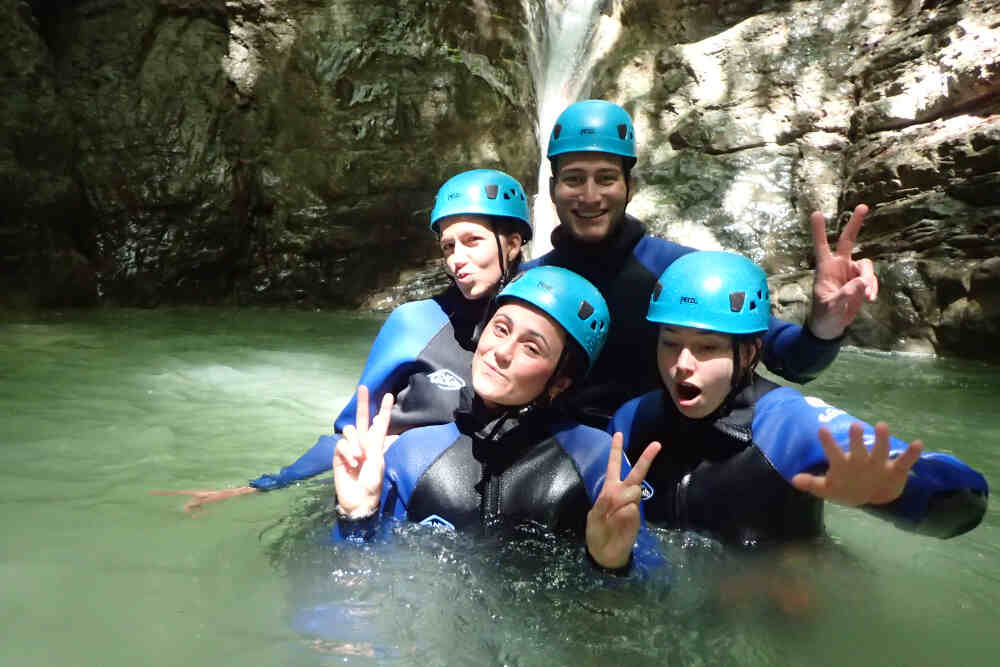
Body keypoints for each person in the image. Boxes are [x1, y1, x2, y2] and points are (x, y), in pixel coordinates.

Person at [153, 169, 534, 511]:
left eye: (472, 241)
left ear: (513, 244)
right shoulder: (414, 324)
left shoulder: (546, 331)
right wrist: (258, 488)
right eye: (448, 246)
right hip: (386, 500)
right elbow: (351, 431)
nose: (456, 260)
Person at [524, 99, 879, 424]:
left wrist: (824, 328)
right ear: (553, 188)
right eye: (573, 179)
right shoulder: (527, 280)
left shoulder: (682, 273)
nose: (589, 196)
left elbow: (791, 361)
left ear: (630, 187)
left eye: (606, 178)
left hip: (657, 461)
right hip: (557, 464)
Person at [609, 250, 988, 546]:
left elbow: (968, 499)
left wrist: (899, 491)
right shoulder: (631, 420)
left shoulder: (789, 426)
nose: (682, 364)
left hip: (780, 614)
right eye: (670, 342)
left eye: (707, 347)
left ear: (752, 352)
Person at [332, 266, 661, 572]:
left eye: (531, 348)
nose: (501, 352)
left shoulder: (596, 461)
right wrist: (355, 517)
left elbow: (651, 590)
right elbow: (359, 577)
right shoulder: (413, 453)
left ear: (562, 381)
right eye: (500, 329)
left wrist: (613, 565)